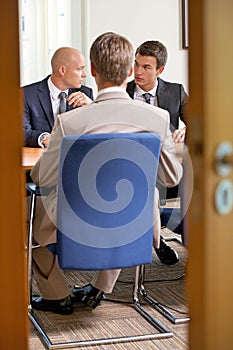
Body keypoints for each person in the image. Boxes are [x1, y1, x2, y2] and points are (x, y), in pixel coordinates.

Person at [30, 32, 183, 315]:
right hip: (133, 225)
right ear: (129, 72)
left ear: (94, 71)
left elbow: (40, 178)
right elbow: (172, 179)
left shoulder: (69, 121)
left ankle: (57, 296)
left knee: (32, 219)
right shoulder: (158, 118)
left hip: (77, 224)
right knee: (129, 199)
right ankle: (99, 288)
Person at [127, 40, 189, 265]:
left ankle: (187, 243)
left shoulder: (175, 91)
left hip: (165, 167)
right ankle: (156, 241)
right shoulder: (122, 92)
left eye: (146, 67)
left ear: (160, 70)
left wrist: (187, 128)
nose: (138, 71)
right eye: (136, 64)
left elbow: (201, 122)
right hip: (130, 165)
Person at [23, 47, 94, 148]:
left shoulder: (86, 94)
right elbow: (21, 133)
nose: (84, 75)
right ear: (62, 70)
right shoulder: (26, 94)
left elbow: (98, 133)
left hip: (76, 158)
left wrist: (92, 107)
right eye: (79, 69)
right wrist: (44, 138)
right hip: (40, 159)